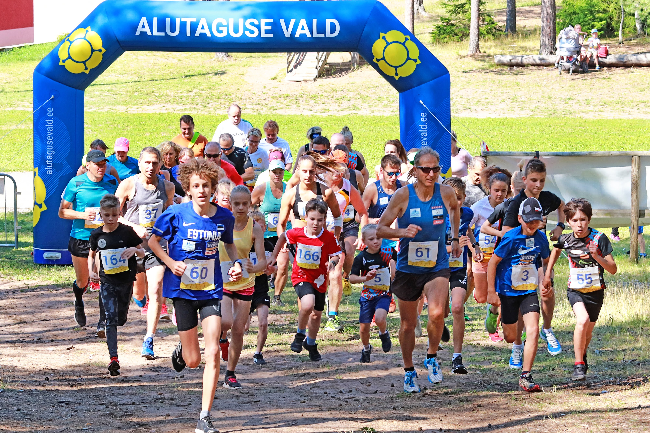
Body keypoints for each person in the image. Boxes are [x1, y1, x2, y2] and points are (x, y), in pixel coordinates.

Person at [148, 158, 242, 433]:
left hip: (211, 290)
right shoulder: (176, 213)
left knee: (212, 351)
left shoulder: (223, 217)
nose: (202, 190)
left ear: (213, 188)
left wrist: (236, 263)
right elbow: (153, 240)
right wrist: (169, 262)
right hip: (182, 291)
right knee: (193, 361)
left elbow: (229, 245)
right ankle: (183, 349)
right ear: (188, 189)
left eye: (206, 186)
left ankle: (205, 416)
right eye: (196, 186)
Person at [376, 147, 460, 392]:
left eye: (435, 169)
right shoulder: (403, 195)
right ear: (415, 170)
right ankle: (409, 370)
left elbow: (455, 210)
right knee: (408, 324)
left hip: (437, 265)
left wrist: (455, 238)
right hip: (408, 268)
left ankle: (432, 357)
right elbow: (380, 229)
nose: (431, 174)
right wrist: (402, 232)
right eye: (425, 169)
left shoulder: (446, 193)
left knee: (437, 313)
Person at [543, 198, 617, 381]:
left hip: (595, 292)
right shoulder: (566, 239)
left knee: (588, 332)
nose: (579, 224)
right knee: (582, 320)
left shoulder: (599, 239)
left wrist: (596, 256)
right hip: (575, 291)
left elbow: (613, 269)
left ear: (589, 220)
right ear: (568, 222)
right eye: (575, 220)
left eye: (583, 219)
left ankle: (582, 356)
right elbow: (556, 250)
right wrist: (547, 274)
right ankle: (578, 365)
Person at [115, 146, 175, 359]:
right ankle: (138, 299)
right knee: (138, 293)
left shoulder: (167, 187)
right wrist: (134, 227)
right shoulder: (128, 184)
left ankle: (149, 338)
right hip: (132, 247)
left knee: (156, 289)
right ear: (139, 164)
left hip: (155, 247)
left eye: (154, 163)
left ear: (160, 165)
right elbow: (112, 215)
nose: (150, 167)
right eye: (147, 162)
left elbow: (169, 214)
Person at [501, 158, 565, 357]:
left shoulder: (546, 198)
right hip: (520, 260)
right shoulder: (516, 204)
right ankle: (517, 345)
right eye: (534, 180)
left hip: (541, 255)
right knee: (523, 302)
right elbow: (505, 232)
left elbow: (562, 205)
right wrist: (530, 227)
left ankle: (547, 329)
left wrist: (560, 226)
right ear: (525, 180)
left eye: (542, 180)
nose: (538, 185)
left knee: (547, 292)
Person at [487, 197, 550, 392]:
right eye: (529, 221)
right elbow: (492, 263)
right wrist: (491, 291)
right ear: (520, 218)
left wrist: (545, 279)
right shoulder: (511, 237)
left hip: (529, 290)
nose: (532, 225)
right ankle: (494, 311)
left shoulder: (541, 238)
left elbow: (544, 261)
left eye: (536, 221)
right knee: (510, 336)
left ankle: (526, 375)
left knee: (533, 330)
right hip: (508, 291)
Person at [269, 198, 342, 361]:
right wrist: (274, 255)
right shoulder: (297, 233)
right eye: (312, 219)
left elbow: (336, 255)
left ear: (325, 219)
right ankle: (300, 335)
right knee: (307, 304)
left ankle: (311, 343)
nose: (315, 223)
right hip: (301, 276)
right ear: (306, 217)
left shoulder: (328, 237)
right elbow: (283, 236)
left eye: (320, 220)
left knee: (316, 315)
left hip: (320, 280)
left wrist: (332, 262)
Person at [59, 149, 119, 331]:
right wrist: (82, 215)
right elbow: (62, 211)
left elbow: (119, 206)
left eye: (104, 164)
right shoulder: (76, 183)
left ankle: (102, 323)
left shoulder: (112, 182)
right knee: (82, 281)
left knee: (104, 280)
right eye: (97, 164)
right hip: (81, 238)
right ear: (88, 166)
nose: (101, 167)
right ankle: (78, 299)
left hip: (105, 238)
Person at [88, 194, 145, 376]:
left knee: (120, 318)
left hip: (126, 280)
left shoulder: (127, 232)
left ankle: (109, 318)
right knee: (110, 319)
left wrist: (134, 249)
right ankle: (114, 358)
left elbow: (143, 252)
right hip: (107, 281)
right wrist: (91, 271)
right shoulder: (97, 234)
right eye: (107, 215)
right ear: (101, 215)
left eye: (114, 215)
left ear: (119, 214)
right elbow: (92, 254)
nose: (111, 219)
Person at [218, 185, 267, 388]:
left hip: (245, 282)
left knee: (239, 330)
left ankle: (230, 373)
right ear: (230, 203)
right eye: (236, 203)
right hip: (223, 281)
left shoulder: (254, 228)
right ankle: (221, 339)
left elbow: (263, 261)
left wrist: (253, 268)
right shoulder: (222, 223)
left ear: (250, 204)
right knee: (226, 322)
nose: (240, 207)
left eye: (244, 204)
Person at [321, 150, 368, 332]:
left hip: (337, 233)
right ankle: (312, 311)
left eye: (342, 168)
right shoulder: (317, 181)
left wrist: (363, 234)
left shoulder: (348, 187)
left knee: (336, 271)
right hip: (316, 234)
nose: (338, 173)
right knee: (319, 274)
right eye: (335, 167)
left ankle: (332, 316)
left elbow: (363, 212)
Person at [442, 177, 480, 374]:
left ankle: (457, 357)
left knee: (457, 307)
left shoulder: (468, 213)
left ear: (464, 197)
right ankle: (439, 325)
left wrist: (475, 246)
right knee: (440, 312)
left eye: (459, 198)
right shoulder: (437, 216)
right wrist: (452, 247)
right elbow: (432, 247)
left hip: (458, 268)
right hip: (439, 268)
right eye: (451, 198)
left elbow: (467, 229)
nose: (455, 202)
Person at [470, 168, 512, 342]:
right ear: (489, 189)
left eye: (503, 191)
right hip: (483, 256)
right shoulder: (478, 207)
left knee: (501, 294)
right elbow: (466, 228)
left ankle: (496, 323)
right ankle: (487, 303)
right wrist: (474, 248)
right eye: (496, 190)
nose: (500, 194)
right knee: (482, 297)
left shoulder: (511, 207)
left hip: (502, 257)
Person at [349, 224, 395, 363]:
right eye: (371, 239)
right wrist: (365, 278)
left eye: (378, 238)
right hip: (367, 296)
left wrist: (394, 268)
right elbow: (352, 278)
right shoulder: (361, 257)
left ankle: (383, 333)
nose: (376, 241)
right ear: (364, 241)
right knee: (364, 328)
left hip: (383, 294)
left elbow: (399, 265)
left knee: (380, 319)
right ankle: (366, 348)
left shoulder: (389, 252)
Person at [251, 155, 290, 306]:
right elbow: (248, 206)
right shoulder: (261, 189)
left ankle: (277, 296)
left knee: (283, 264)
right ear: (269, 173)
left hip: (283, 234)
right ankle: (255, 291)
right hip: (264, 234)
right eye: (274, 172)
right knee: (264, 265)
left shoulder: (288, 189)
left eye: (280, 172)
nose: (277, 175)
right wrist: (255, 220)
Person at [244, 210, 275, 365]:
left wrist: (271, 270)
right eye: (256, 226)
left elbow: (274, 267)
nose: (260, 229)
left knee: (263, 322)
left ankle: (258, 353)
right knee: (243, 326)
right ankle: (225, 342)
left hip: (261, 289)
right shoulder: (243, 246)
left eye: (262, 226)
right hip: (245, 289)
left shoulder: (268, 245)